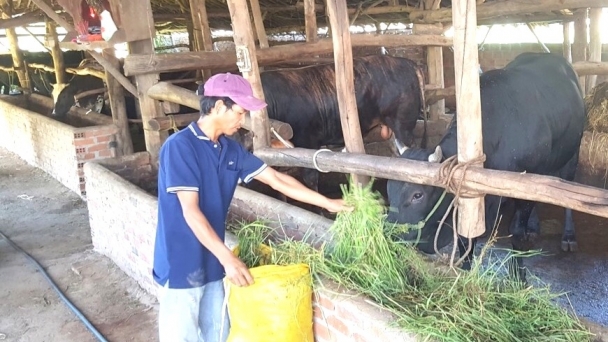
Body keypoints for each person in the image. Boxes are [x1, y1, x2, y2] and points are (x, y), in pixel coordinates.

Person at [152, 72, 351, 342]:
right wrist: (228, 258)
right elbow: (190, 211)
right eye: (240, 111)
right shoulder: (180, 147)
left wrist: (328, 203)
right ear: (219, 106)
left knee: (218, 333)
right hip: (181, 261)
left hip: (212, 260)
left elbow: (277, 180)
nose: (242, 119)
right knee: (182, 336)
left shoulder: (230, 150)